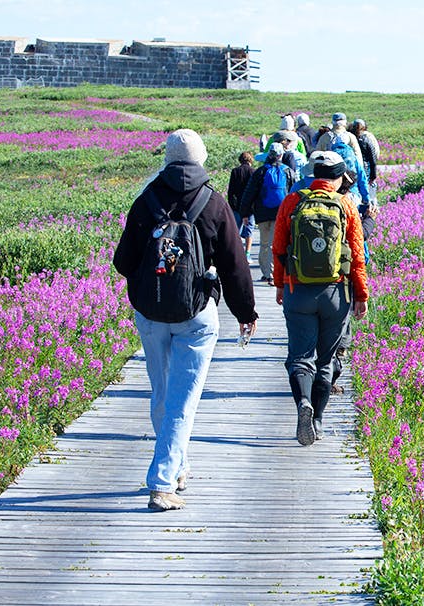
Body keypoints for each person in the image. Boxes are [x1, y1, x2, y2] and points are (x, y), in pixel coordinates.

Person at [112, 129, 258, 512]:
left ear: (166, 158)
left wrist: (153, 279)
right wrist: (246, 313)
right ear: (202, 158)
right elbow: (234, 265)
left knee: (162, 395)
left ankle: (177, 468)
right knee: (182, 401)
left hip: (150, 313)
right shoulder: (213, 202)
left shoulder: (146, 200)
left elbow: (122, 262)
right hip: (196, 313)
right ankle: (162, 483)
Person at [272, 151, 369, 445]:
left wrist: (279, 285)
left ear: (315, 176)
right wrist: (361, 294)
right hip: (335, 293)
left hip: (298, 291)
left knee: (300, 358)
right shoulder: (346, 205)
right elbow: (358, 255)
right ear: (339, 178)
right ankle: (318, 420)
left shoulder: (292, 202)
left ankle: (303, 402)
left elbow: (278, 248)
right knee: (325, 360)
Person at [240, 143, 296, 283]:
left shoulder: (260, 172)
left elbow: (249, 193)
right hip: (281, 213)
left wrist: (245, 213)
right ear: (281, 155)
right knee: (279, 243)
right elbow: (294, 193)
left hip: (263, 213)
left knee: (265, 244)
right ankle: (278, 272)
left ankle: (267, 273)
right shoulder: (288, 171)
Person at [226, 151, 256, 262]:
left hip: (237, 206)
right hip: (249, 207)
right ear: (250, 160)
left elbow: (231, 191)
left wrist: (232, 205)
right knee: (249, 231)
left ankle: (236, 253)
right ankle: (247, 254)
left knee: (235, 231)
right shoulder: (253, 172)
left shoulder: (235, 171)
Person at [351, 118, 380, 187]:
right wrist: (373, 176)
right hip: (365, 169)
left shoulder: (350, 138)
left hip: (353, 169)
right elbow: (373, 159)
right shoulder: (367, 139)